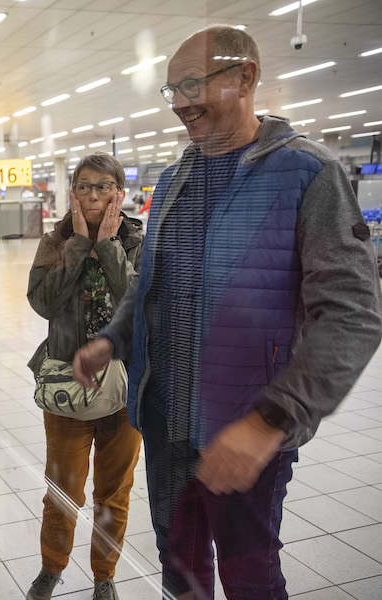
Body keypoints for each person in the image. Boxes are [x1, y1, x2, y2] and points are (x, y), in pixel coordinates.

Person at [73, 25, 382, 600]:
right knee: (180, 571)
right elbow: (150, 285)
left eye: (193, 84)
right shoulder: (171, 183)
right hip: (166, 429)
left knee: (251, 579)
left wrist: (272, 419)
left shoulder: (308, 174)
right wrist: (114, 338)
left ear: (246, 77)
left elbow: (353, 314)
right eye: (172, 91)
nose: (182, 105)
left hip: (244, 433)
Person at [25, 153, 145, 600]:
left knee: (114, 492)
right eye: (84, 186)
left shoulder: (137, 241)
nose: (93, 195)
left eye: (103, 186)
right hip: (67, 388)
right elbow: (43, 303)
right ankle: (51, 570)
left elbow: (141, 307)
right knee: (62, 489)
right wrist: (77, 243)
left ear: (120, 193)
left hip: (124, 391)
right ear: (72, 192)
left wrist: (111, 246)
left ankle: (104, 576)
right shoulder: (55, 241)